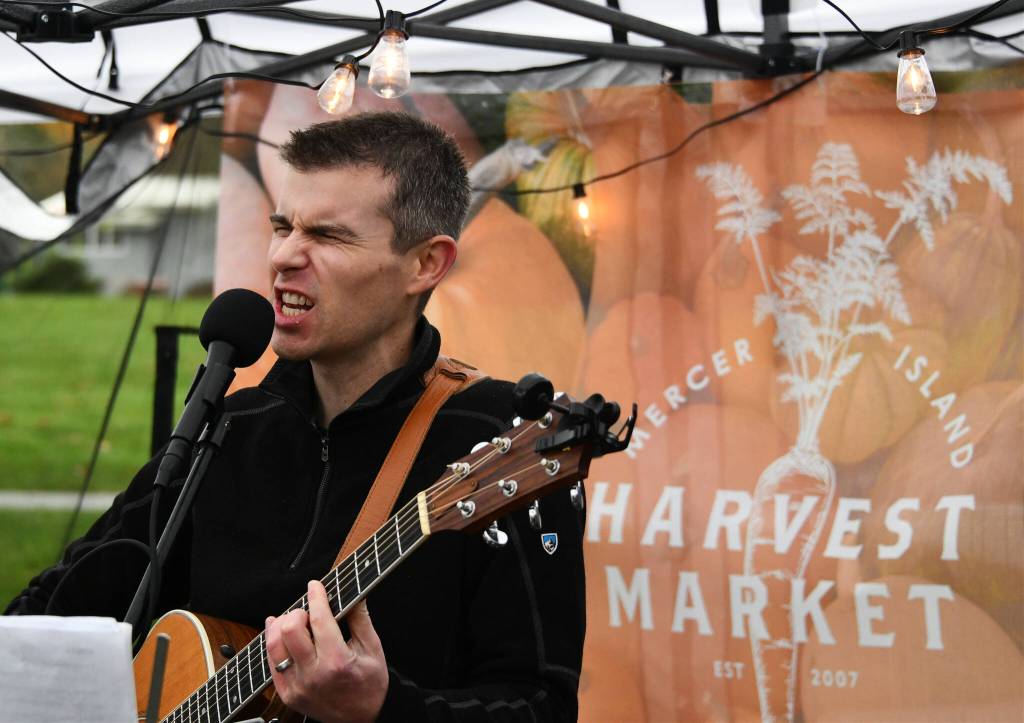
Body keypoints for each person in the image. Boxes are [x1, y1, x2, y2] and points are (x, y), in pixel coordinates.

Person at [6, 112, 587, 723]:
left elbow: (539, 706)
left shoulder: (501, 440)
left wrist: (384, 708)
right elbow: (55, 610)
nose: (284, 256)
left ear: (425, 264)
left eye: (328, 236)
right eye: (282, 226)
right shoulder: (232, 428)